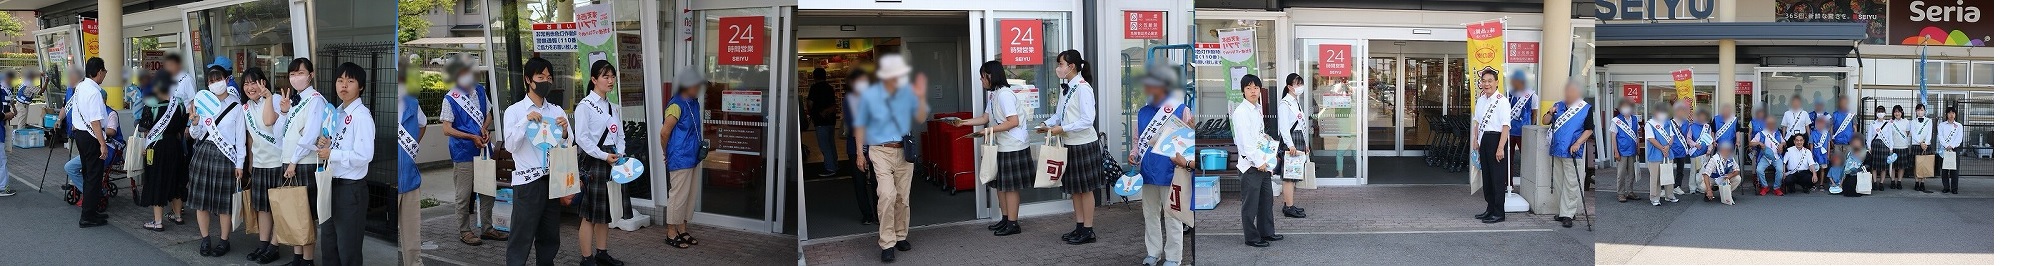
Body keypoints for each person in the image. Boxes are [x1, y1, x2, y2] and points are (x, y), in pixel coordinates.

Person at [852, 54, 929, 262]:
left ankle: (900, 235)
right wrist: (860, 153)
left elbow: (920, 115)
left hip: (903, 151)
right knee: (886, 196)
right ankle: (887, 243)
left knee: (903, 198)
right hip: (880, 151)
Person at [945, 61, 1033, 236]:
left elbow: (1013, 121)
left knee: (1010, 186)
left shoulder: (1004, 95)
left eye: (982, 76)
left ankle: (1013, 223)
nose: (981, 79)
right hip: (1002, 144)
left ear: (990, 76)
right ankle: (1005, 219)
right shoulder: (994, 94)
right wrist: (962, 122)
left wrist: (989, 131)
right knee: (1001, 184)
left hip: (1013, 145)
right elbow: (985, 118)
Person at [503, 57, 568, 266]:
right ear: (528, 80)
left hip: (552, 181)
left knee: (549, 237)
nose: (546, 82)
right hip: (528, 183)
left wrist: (565, 131)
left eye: (549, 78)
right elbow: (510, 146)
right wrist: (525, 121)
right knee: (521, 237)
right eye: (540, 77)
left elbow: (567, 145)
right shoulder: (514, 111)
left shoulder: (556, 111)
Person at [439, 59, 509, 245]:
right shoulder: (450, 98)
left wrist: (485, 129)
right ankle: (465, 231)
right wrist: (471, 137)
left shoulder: (479, 91)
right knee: (464, 194)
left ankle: (487, 228)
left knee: (488, 191)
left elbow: (489, 113)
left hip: (483, 149)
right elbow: (446, 129)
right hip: (463, 152)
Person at [1039, 50, 1106, 245]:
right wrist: (1046, 124)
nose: (1058, 68)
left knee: (1085, 190)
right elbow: (1059, 115)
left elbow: (1087, 120)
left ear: (1072, 66)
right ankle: (1079, 226)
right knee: (1075, 189)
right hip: (1070, 143)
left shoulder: (1083, 88)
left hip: (1084, 144)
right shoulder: (1066, 88)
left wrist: (1062, 128)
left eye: (1061, 64)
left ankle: (1088, 229)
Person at [1129, 67, 1191, 265]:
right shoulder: (1142, 112)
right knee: (1150, 214)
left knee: (1173, 214)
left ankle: (1173, 257)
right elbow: (1137, 141)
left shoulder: (1181, 109)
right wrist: (1133, 155)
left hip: (1171, 171)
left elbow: (1189, 140)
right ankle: (1153, 252)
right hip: (1147, 171)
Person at [318, 62, 377, 266]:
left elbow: (364, 155)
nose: (344, 85)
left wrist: (331, 153)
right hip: (330, 184)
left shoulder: (362, 116)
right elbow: (332, 145)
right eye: (340, 80)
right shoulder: (337, 113)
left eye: (350, 81)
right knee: (329, 243)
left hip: (350, 190)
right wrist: (324, 144)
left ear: (360, 86)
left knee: (348, 248)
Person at [187, 61, 246, 256]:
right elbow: (197, 134)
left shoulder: (237, 107)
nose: (215, 83)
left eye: (218, 79)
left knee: (223, 203)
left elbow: (241, 139)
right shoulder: (203, 104)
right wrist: (195, 123)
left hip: (226, 156)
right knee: (201, 201)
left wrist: (240, 164)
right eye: (211, 81)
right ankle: (205, 239)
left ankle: (224, 240)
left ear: (226, 79)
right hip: (204, 153)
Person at [572, 60, 628, 266]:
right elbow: (582, 138)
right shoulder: (584, 106)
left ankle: (602, 253)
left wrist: (620, 153)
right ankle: (586, 258)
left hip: (613, 159)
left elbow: (620, 135)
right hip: (595, 161)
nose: (610, 81)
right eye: (606, 76)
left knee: (606, 211)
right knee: (589, 214)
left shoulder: (613, 107)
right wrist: (604, 156)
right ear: (594, 79)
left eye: (612, 76)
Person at [279, 58, 326, 265]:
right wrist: (284, 111)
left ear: (311, 75)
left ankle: (307, 260)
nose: (296, 78)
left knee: (306, 215)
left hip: (303, 162)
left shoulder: (315, 99)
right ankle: (297, 257)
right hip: (291, 160)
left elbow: (310, 135)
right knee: (294, 212)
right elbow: (283, 132)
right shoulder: (297, 100)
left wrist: (293, 162)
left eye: (300, 73)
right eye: (292, 74)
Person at [240, 68, 288, 263]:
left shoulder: (276, 100)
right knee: (263, 208)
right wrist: (250, 162)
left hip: (277, 162)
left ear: (263, 82)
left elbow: (269, 121)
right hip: (260, 163)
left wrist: (267, 98)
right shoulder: (246, 108)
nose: (250, 88)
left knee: (278, 208)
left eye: (254, 83)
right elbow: (250, 137)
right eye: (246, 84)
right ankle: (263, 245)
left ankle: (274, 246)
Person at [136, 70, 190, 231]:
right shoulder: (179, 102)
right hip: (175, 145)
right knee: (176, 178)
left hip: (157, 147)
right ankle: (178, 215)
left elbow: (144, 127)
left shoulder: (151, 103)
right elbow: (183, 123)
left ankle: (158, 222)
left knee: (157, 180)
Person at [660, 68, 707, 248]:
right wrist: (666, 153)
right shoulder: (675, 105)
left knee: (689, 196)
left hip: (693, 157)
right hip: (680, 157)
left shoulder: (694, 102)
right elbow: (664, 133)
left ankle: (682, 228)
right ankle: (671, 232)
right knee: (678, 196)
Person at [1233, 74, 1281, 246]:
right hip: (1251, 166)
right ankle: (1252, 238)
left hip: (1262, 163)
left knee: (1266, 201)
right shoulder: (1241, 112)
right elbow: (1245, 142)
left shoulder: (1256, 108)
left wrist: (1269, 154)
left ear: (1260, 90)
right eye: (1248, 88)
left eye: (1255, 88)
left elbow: (1258, 136)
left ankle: (1266, 232)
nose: (1253, 91)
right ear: (1243, 91)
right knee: (1250, 205)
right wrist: (1258, 162)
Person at [71, 58, 113, 228]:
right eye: (104, 71)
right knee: (94, 177)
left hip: (81, 135)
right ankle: (87, 216)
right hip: (92, 137)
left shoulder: (81, 87)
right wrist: (103, 144)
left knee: (89, 174)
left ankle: (91, 211)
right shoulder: (94, 92)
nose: (105, 74)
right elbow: (96, 121)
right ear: (98, 72)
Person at [1545, 81, 1591, 228]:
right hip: (1557, 149)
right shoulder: (1558, 105)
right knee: (1559, 182)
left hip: (1573, 151)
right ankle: (1563, 211)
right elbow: (1545, 121)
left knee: (1571, 184)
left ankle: (1568, 214)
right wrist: (1550, 112)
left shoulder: (1585, 108)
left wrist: (1578, 143)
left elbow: (1589, 129)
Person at [1470, 67, 1513, 220]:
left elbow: (1506, 126)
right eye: (1484, 81)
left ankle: (1499, 212)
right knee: (1487, 177)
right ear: (1480, 83)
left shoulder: (1502, 101)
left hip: (1497, 140)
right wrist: (1475, 140)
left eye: (1490, 81)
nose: (1486, 84)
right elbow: (1477, 122)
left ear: (1496, 82)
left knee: (1497, 178)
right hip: (1484, 140)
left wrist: (1501, 147)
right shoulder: (1481, 100)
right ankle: (1490, 208)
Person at [397, 68, 427, 266]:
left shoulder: (413, 104)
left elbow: (422, 125)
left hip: (409, 178)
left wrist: (411, 149)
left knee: (411, 235)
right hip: (392, 179)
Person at [841, 67, 877, 226]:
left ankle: (878, 213)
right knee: (859, 182)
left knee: (878, 182)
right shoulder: (849, 100)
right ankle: (867, 214)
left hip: (875, 146)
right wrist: (860, 152)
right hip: (856, 148)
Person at [1276, 73, 1310, 218]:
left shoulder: (1295, 102)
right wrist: (1290, 145)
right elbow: (1283, 127)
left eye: (1300, 83)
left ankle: (1288, 203)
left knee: (1293, 174)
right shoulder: (1285, 104)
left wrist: (1306, 144)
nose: (1300, 87)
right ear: (1289, 87)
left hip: (1298, 140)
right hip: (1291, 142)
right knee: (1289, 177)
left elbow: (1301, 125)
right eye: (1297, 84)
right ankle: (1289, 207)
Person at [1644, 102, 1680, 205]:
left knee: (1668, 175)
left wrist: (1668, 147)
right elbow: (1651, 139)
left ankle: (1669, 195)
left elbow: (1672, 136)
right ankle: (1654, 197)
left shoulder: (1668, 122)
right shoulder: (1650, 123)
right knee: (1655, 177)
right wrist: (1662, 148)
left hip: (1668, 153)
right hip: (1655, 154)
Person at [809, 68, 841, 177]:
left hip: (820, 121)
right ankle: (835, 164)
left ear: (814, 76)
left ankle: (830, 168)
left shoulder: (814, 88)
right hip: (831, 120)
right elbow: (833, 104)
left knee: (824, 146)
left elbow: (810, 103)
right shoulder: (830, 88)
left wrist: (812, 113)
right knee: (831, 144)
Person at [1611, 101, 1642, 203]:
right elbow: (1613, 137)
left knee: (1632, 173)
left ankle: (1630, 191)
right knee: (1621, 173)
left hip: (1632, 150)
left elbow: (1636, 134)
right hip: (1622, 151)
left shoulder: (1634, 119)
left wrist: (1638, 146)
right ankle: (1620, 193)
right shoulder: (1616, 120)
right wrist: (1616, 151)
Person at [1937, 107, 1964, 194]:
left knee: (1954, 170)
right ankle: (1946, 187)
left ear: (1955, 114)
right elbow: (1940, 136)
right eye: (1949, 113)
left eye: (1953, 113)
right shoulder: (1942, 125)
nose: (1951, 115)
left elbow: (1959, 138)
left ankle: (1954, 188)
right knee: (1944, 169)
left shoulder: (1959, 126)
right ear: (1946, 114)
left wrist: (1952, 146)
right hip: (1944, 149)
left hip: (1954, 149)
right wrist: (1946, 145)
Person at [1909, 104, 1934, 193]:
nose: (1920, 112)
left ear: (1925, 111)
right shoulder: (1913, 121)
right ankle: (1916, 182)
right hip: (1916, 144)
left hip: (1926, 145)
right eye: (1918, 110)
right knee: (1916, 165)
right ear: (1916, 111)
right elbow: (1913, 133)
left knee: (1924, 164)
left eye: (1922, 110)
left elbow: (1929, 133)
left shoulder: (1929, 121)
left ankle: (1922, 182)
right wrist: (1920, 142)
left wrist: (1925, 143)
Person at [1868, 105, 1893, 190]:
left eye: (1882, 111)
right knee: (1874, 166)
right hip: (1875, 144)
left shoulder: (1888, 124)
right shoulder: (1873, 123)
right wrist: (1869, 146)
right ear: (1876, 113)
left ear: (1885, 113)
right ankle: (1874, 182)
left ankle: (1881, 182)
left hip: (1884, 146)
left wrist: (1891, 147)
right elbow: (1869, 136)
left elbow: (1890, 136)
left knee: (1883, 166)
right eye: (1879, 111)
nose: (1880, 113)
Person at [1886, 105, 1910, 190]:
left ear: (1902, 112)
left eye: (1899, 111)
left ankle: (1899, 181)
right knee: (1892, 166)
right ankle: (1892, 181)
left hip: (1903, 146)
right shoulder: (1891, 122)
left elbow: (1907, 133)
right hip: (1893, 146)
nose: (1897, 113)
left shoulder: (1906, 121)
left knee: (1901, 166)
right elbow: (1888, 135)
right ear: (1893, 113)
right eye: (1895, 112)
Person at [1809, 117, 1833, 192]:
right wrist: (1811, 154)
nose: (1820, 125)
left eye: (1822, 123)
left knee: (1822, 169)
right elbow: (1811, 144)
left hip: (1823, 154)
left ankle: (1821, 184)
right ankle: (1814, 184)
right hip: (1816, 153)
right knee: (1815, 169)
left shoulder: (1827, 133)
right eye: (1819, 123)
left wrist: (1828, 154)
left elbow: (1828, 144)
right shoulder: (1813, 133)